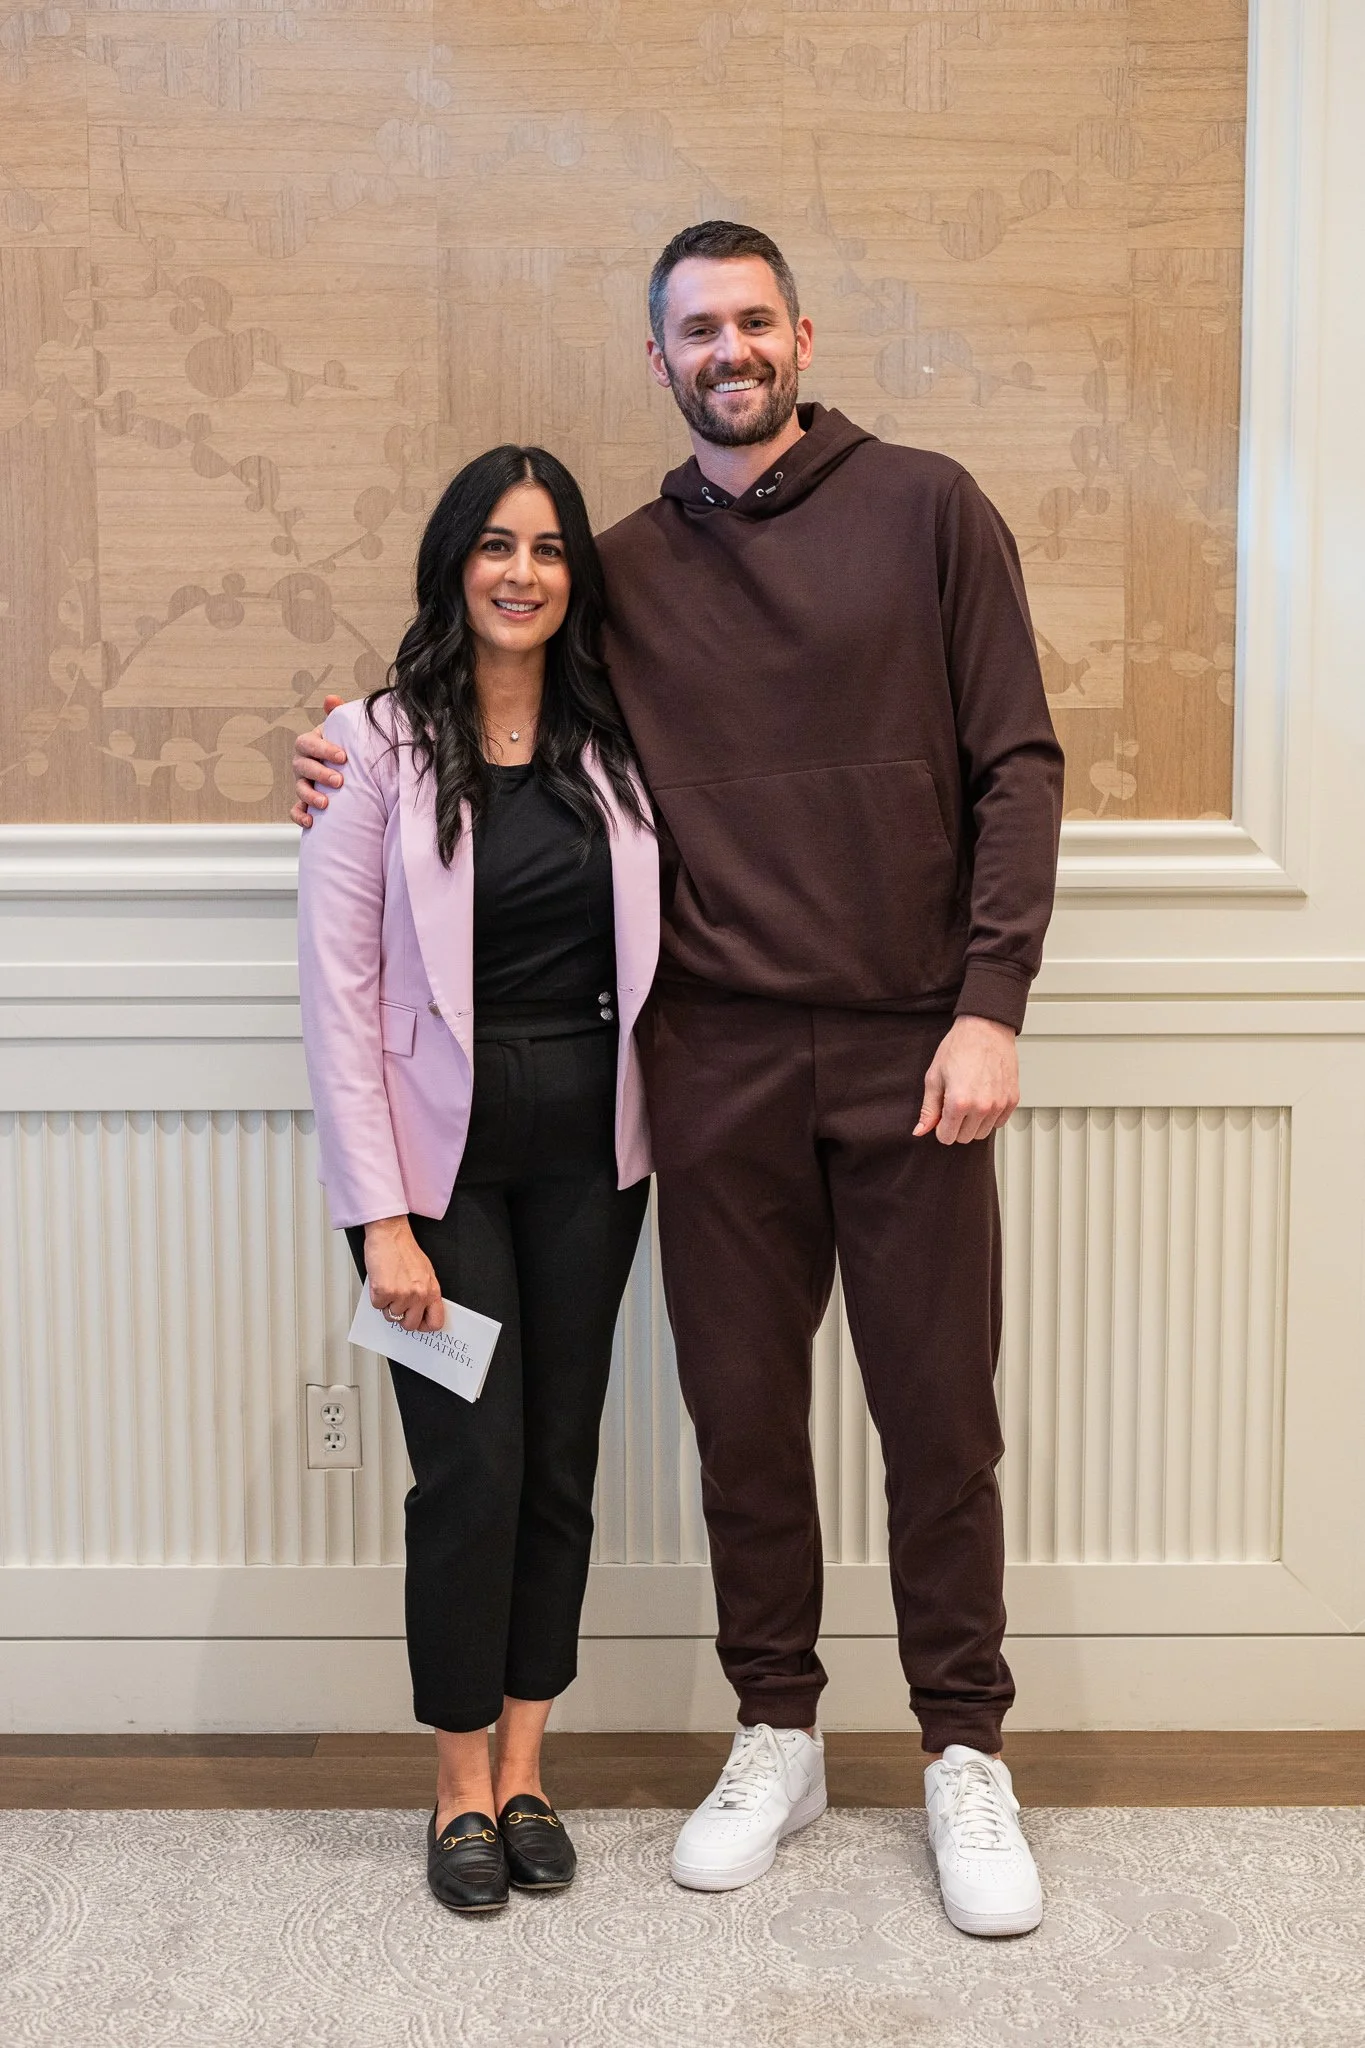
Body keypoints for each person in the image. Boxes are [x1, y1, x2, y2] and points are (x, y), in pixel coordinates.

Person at [294, 221, 1063, 1939]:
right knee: (740, 1420)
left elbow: (1017, 764)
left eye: (752, 321)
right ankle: (777, 1726)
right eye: (696, 330)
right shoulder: (623, 571)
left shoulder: (933, 512)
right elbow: (480, 686)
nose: (730, 350)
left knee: (939, 1417)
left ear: (803, 336)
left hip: (913, 1051)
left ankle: (964, 1748)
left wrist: (993, 1002)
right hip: (710, 1066)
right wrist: (340, 744)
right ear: (660, 360)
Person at [296, 443, 657, 1914]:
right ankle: (455, 1788)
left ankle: (524, 1770)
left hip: (592, 1157)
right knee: (469, 1470)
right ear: (454, 563)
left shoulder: (621, 740)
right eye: (496, 544)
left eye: (549, 547)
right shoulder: (369, 745)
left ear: (576, 577)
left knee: (558, 1461)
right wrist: (378, 1223)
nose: (522, 572)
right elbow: (339, 998)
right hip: (430, 1181)